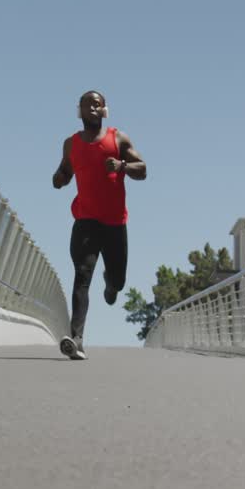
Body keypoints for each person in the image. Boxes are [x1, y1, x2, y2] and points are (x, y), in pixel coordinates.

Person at [51, 90, 147, 361]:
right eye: (87, 105)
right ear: (79, 111)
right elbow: (64, 172)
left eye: (97, 105)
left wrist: (122, 165)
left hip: (115, 223)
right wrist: (59, 178)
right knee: (82, 275)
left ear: (105, 110)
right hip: (85, 221)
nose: (92, 108)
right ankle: (77, 339)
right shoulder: (71, 144)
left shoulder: (118, 139)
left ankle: (111, 283)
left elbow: (143, 169)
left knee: (118, 279)